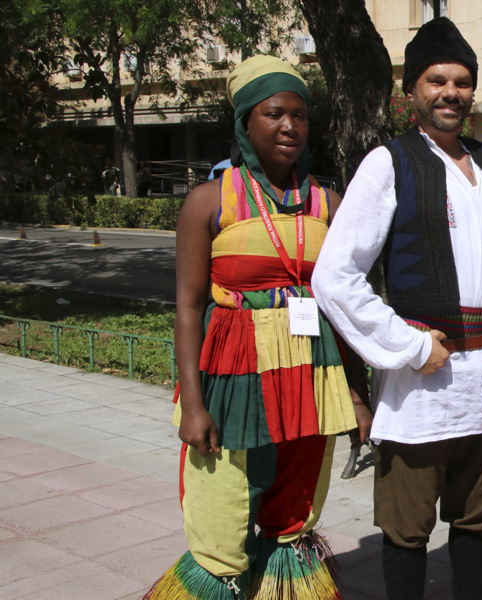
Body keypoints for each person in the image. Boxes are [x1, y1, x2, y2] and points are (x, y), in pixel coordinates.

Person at [311, 17, 482, 600]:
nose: (451, 92)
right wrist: (409, 346)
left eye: (462, 82)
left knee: (478, 518)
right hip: (420, 383)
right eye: (436, 80)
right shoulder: (390, 163)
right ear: (411, 91)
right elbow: (334, 277)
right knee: (407, 528)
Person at [145, 54, 368, 600]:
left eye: (299, 114)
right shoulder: (207, 203)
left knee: (293, 513)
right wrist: (192, 404)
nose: (289, 126)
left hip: (310, 382)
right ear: (246, 122)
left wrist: (358, 396)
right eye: (273, 114)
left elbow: (348, 306)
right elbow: (189, 308)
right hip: (229, 381)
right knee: (219, 511)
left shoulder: (330, 205)